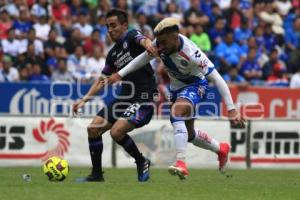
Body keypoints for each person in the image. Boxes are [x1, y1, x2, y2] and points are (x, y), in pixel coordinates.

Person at [107, 17, 245, 180]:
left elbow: (217, 78)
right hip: (176, 89)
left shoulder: (192, 53)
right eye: (159, 42)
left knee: (176, 113)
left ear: (175, 37)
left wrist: (231, 109)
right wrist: (119, 74)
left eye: (164, 42)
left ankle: (181, 162)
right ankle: (221, 149)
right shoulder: (160, 44)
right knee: (190, 134)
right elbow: (143, 58)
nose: (161, 47)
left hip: (195, 84)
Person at [72, 9, 156, 182]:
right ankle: (96, 174)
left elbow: (143, 39)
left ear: (124, 25)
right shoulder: (113, 54)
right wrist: (83, 100)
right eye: (107, 27)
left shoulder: (132, 36)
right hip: (124, 98)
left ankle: (141, 161)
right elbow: (102, 80)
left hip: (144, 98)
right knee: (93, 128)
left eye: (113, 25)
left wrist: (148, 44)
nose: (110, 30)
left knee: (116, 132)